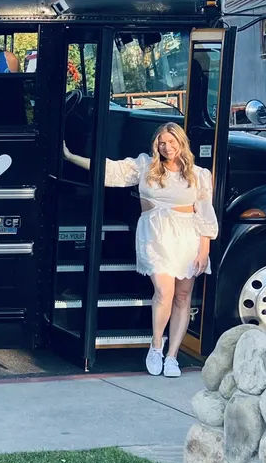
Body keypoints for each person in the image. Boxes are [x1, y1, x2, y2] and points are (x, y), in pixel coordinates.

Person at [62, 122, 218, 378]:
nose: (167, 147)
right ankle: (157, 345)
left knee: (182, 296)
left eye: (171, 142)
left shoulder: (198, 174)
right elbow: (110, 170)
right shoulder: (145, 166)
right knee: (164, 292)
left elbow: (205, 214)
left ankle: (172, 356)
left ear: (181, 143)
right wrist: (71, 157)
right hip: (156, 235)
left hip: (188, 236)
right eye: (162, 142)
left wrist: (204, 250)